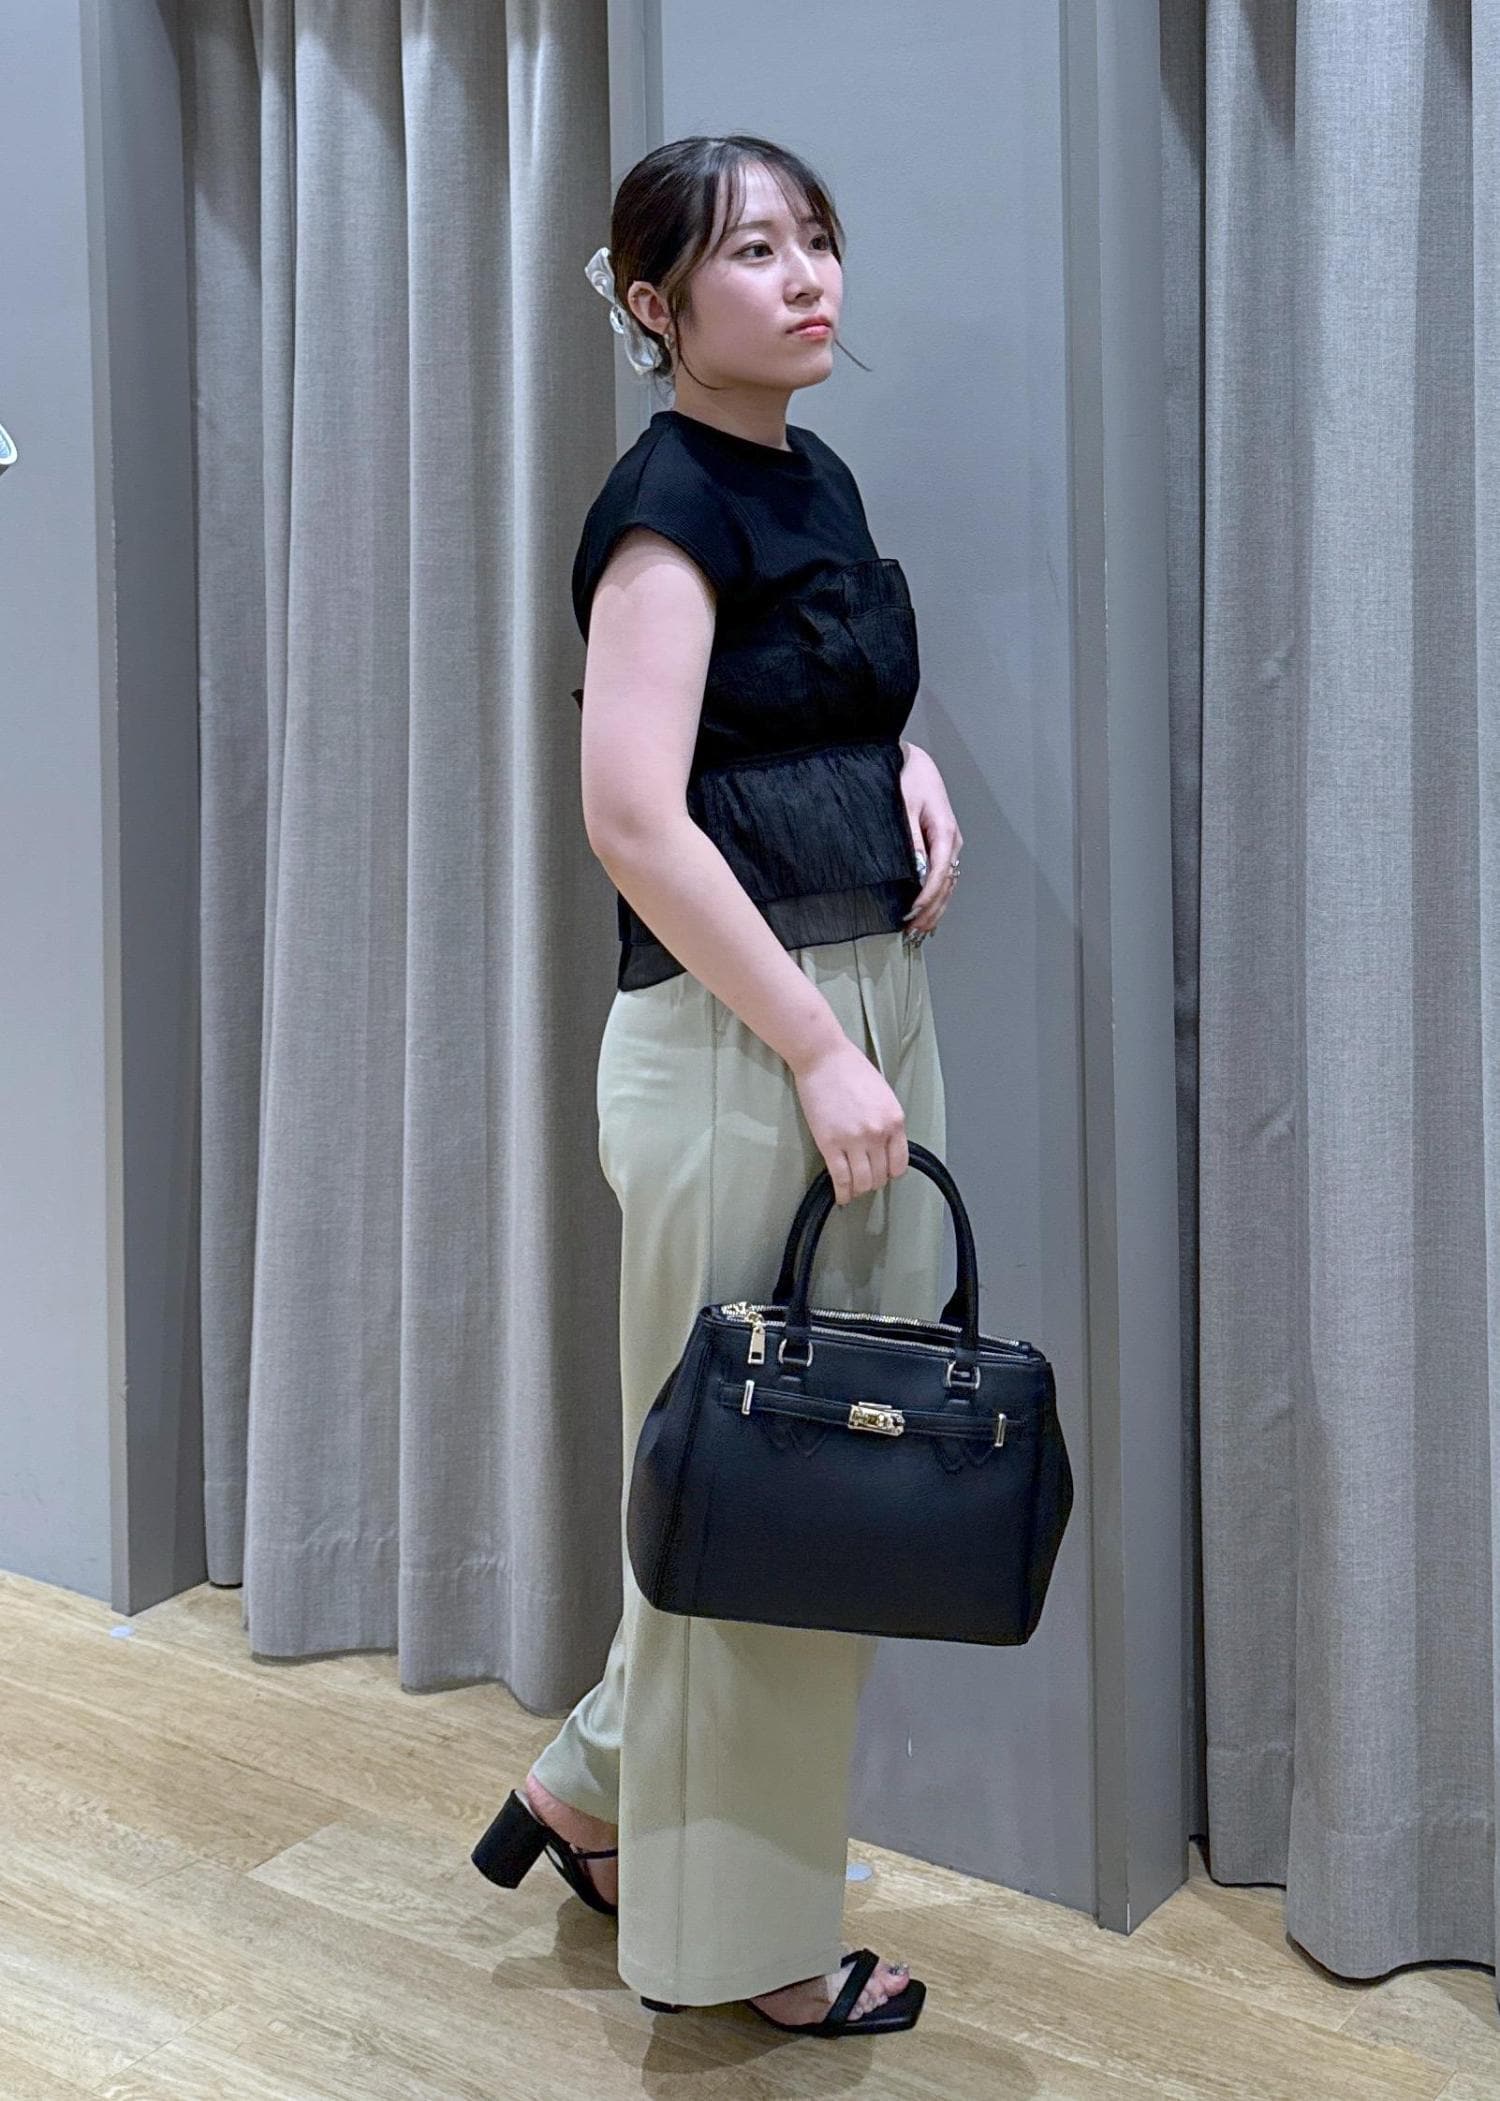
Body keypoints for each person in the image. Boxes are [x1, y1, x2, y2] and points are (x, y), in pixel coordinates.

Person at [470, 133, 964, 2040]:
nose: (808, 276)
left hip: (857, 1007)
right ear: (655, 304)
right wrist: (822, 1047)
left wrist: (903, 761)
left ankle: (596, 1786)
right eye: (756, 251)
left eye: (818, 238)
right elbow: (632, 815)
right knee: (758, 1491)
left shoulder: (809, 476)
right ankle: (738, 1942)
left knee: (802, 1476)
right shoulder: (665, 508)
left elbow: (796, 702)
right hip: (745, 1038)